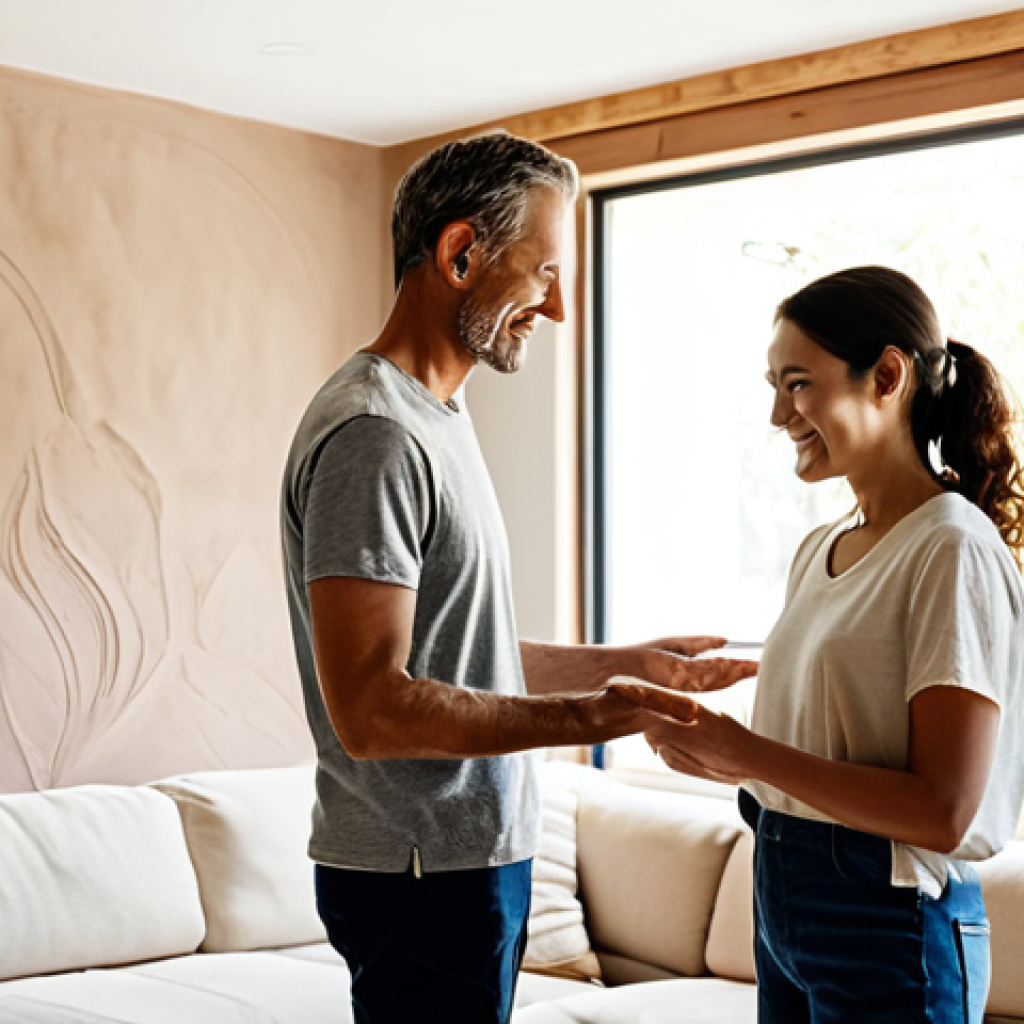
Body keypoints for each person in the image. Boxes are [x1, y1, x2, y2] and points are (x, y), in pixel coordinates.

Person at [279, 132, 755, 1024]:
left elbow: (459, 656)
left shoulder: (435, 417)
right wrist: (590, 719)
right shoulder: (375, 435)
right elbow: (374, 710)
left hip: (465, 860)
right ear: (462, 254)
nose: (561, 306)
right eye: (544, 272)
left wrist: (629, 666)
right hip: (417, 872)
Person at [621, 266, 1024, 1023]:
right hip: (785, 891)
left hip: (888, 920)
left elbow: (943, 810)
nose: (778, 413)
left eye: (798, 383)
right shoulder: (821, 547)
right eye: (774, 385)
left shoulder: (951, 549)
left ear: (888, 376)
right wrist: (715, 756)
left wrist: (744, 752)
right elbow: (825, 761)